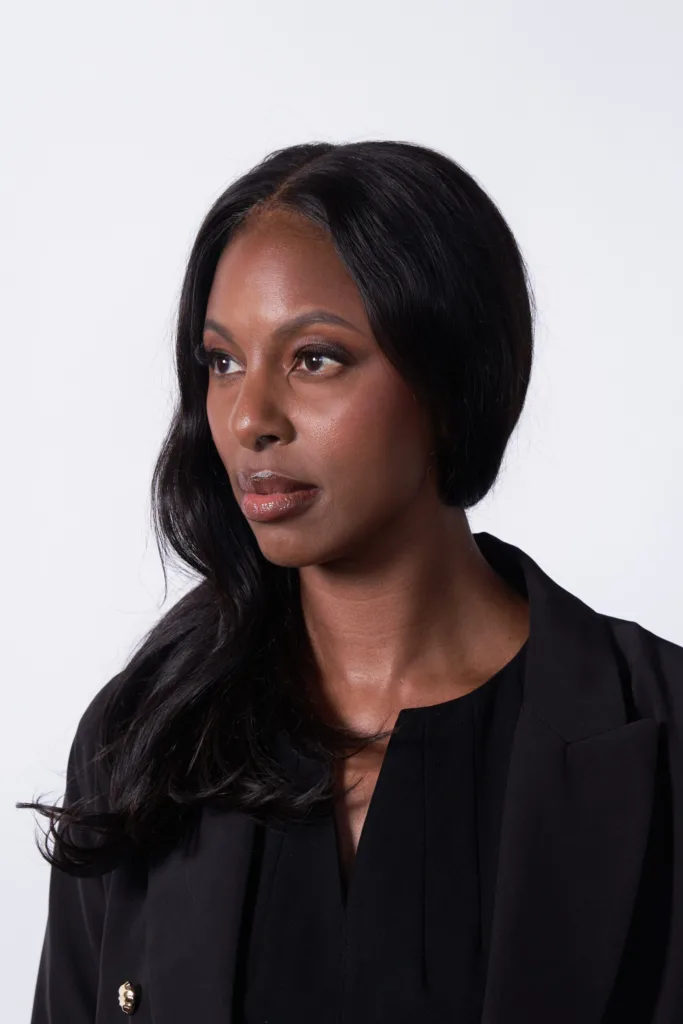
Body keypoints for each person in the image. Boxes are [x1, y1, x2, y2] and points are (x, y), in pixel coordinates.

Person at [22, 140, 683, 1023]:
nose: (250, 418)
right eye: (222, 362)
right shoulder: (143, 734)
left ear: (451, 378)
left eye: (314, 358)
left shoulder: (662, 734)